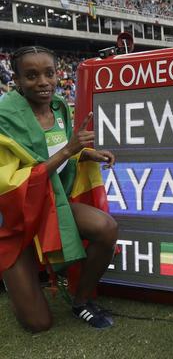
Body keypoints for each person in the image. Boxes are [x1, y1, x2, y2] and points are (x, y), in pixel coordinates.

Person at [0, 46, 117, 331]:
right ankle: (18, 277)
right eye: (31, 75)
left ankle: (81, 301)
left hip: (51, 204)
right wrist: (69, 150)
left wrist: (86, 154)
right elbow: (11, 184)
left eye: (49, 73)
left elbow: (56, 157)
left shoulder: (60, 107)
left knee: (106, 228)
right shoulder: (4, 117)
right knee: (38, 324)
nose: (43, 82)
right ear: (15, 78)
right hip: (17, 221)